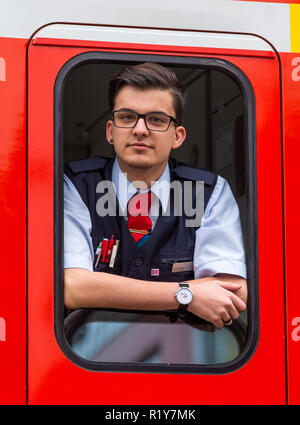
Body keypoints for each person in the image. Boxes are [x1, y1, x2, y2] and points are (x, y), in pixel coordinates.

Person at [64, 62, 247, 329]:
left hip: (187, 364)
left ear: (178, 136)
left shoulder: (209, 192)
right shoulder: (76, 184)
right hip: (84, 361)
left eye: (157, 120)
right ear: (110, 131)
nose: (140, 129)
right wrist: (187, 294)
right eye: (127, 117)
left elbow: (233, 293)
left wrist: (104, 288)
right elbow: (74, 288)